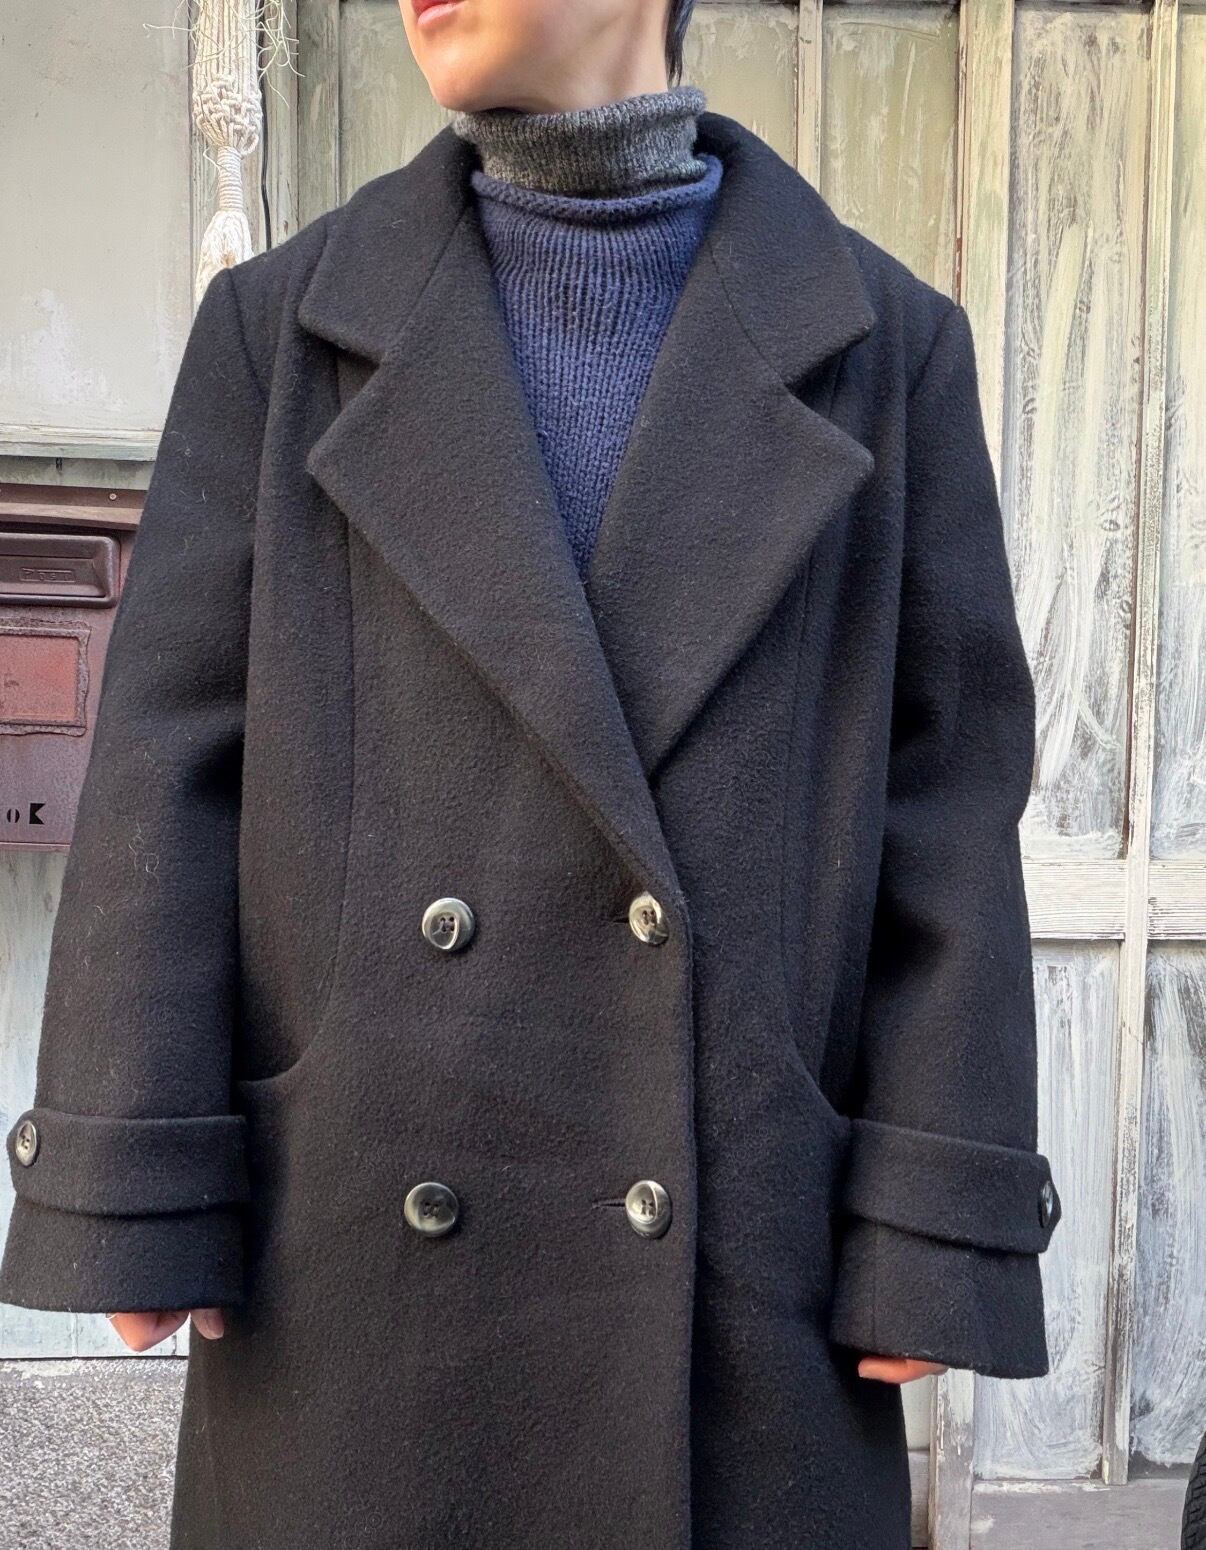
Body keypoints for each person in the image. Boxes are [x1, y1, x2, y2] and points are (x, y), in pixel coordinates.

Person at [0, 1, 1062, 1545]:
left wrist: (929, 1221)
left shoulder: (884, 350)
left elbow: (946, 805)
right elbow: (170, 766)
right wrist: (136, 1168)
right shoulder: (279, 333)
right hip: (357, 1248)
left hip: (742, 1261)